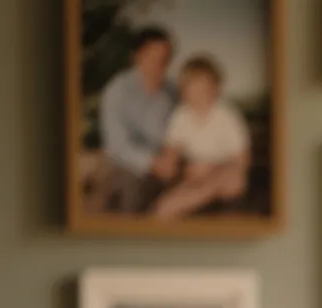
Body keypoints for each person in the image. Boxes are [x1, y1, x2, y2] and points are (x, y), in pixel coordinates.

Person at [151, 55, 251, 220]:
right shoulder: (180, 116)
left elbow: (242, 161)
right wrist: (168, 162)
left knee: (233, 180)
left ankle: (187, 201)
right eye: (193, 87)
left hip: (224, 174)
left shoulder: (227, 115)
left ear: (217, 88)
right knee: (165, 204)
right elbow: (172, 150)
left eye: (206, 86)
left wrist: (210, 168)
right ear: (183, 91)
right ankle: (176, 204)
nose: (200, 93)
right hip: (195, 175)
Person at [92, 26, 176, 214]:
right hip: (123, 163)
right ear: (137, 56)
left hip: (164, 163)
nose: (159, 64)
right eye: (153, 57)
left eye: (165, 59)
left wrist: (171, 157)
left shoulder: (172, 91)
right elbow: (117, 145)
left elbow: (182, 129)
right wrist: (153, 164)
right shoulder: (118, 90)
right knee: (133, 187)